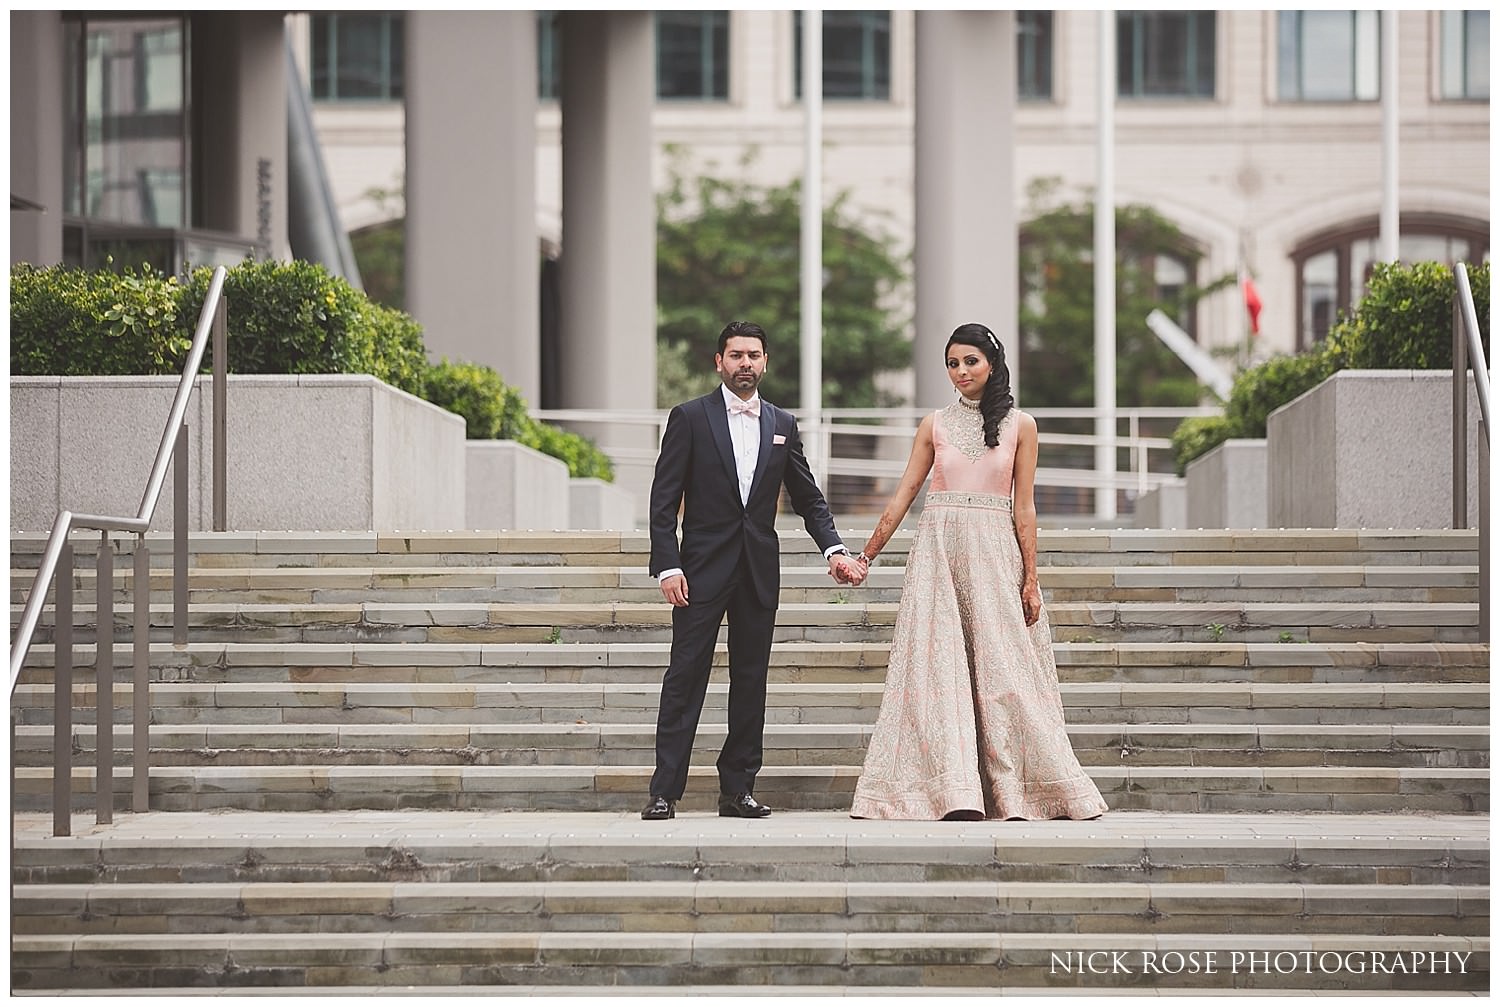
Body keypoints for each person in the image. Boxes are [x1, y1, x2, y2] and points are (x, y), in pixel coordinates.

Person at [847, 323, 1107, 821]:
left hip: (994, 553)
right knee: (935, 669)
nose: (961, 372)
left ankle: (1015, 791)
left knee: (1004, 671)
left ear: (992, 363)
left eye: (970, 361)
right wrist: (867, 555)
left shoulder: (1021, 425)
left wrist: (1031, 579)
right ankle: (951, 793)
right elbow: (903, 495)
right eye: (952, 363)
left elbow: (1024, 507)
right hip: (939, 552)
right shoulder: (933, 425)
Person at [643, 320, 865, 821]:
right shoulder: (689, 418)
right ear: (718, 361)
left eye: (754, 355)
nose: (746, 363)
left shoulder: (782, 424)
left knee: (751, 681)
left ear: (766, 363)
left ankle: (737, 790)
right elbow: (663, 501)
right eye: (736, 354)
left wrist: (833, 550)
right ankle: (664, 792)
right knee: (685, 677)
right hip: (698, 571)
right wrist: (668, 566)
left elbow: (808, 498)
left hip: (758, 570)